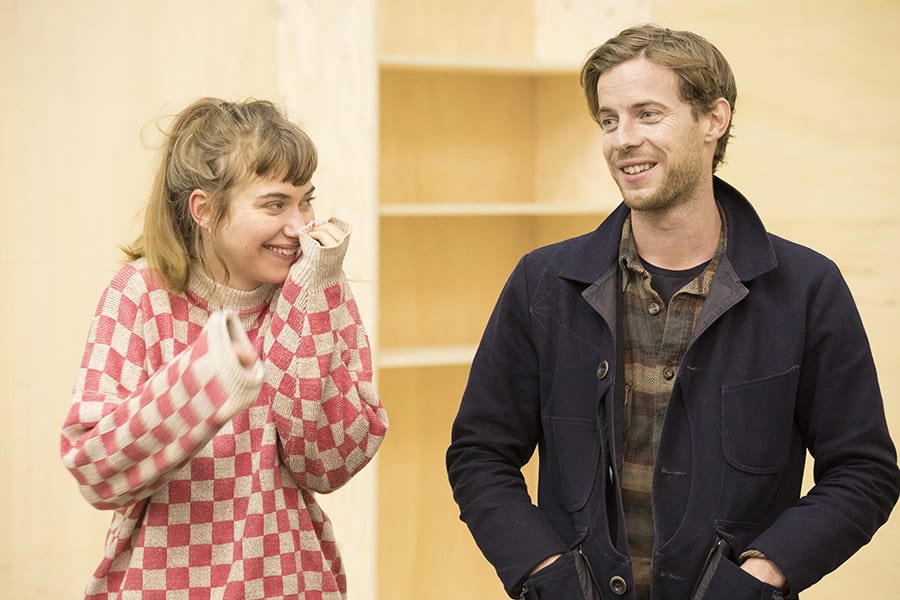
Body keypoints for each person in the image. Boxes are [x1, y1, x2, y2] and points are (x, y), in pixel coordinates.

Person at [446, 24, 899, 600]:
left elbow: (864, 473)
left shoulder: (807, 288)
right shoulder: (543, 282)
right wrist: (544, 572)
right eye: (609, 120)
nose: (621, 139)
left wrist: (760, 577)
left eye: (647, 114)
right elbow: (480, 454)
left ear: (714, 119)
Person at [60, 97, 388, 600]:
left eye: (306, 200)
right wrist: (210, 378)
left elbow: (327, 464)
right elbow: (97, 472)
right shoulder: (139, 293)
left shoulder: (317, 286)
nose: (300, 226)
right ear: (205, 209)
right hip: (162, 586)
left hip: (292, 583)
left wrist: (311, 296)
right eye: (275, 204)